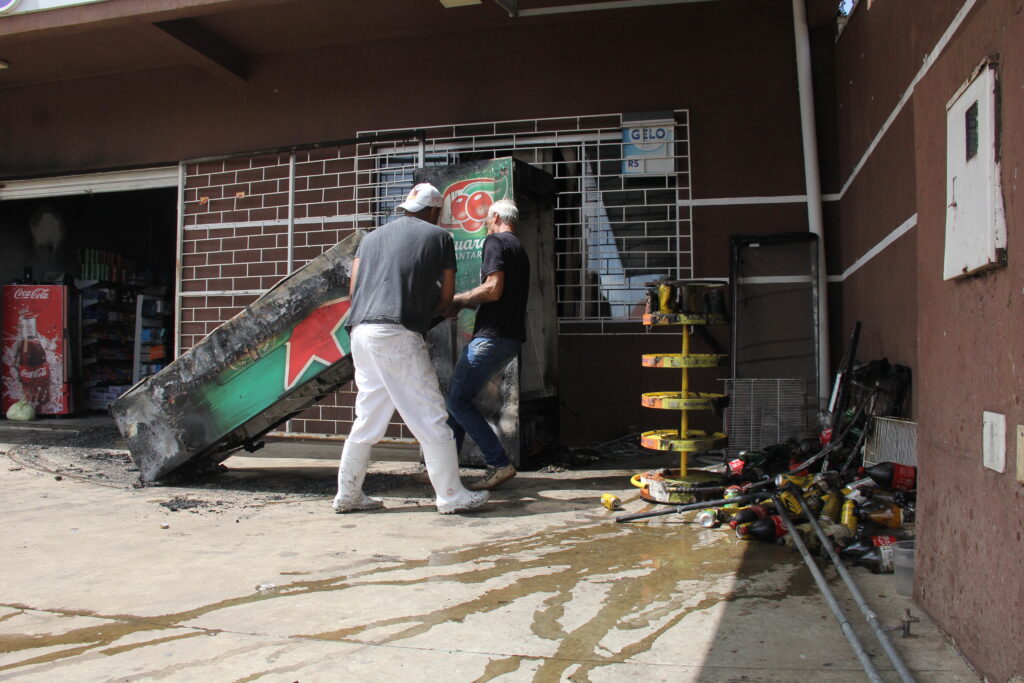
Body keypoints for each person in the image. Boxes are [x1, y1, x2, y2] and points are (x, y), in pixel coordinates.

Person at [332, 183, 489, 515]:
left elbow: (354, 288)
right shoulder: (439, 238)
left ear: (407, 207)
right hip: (397, 333)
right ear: (433, 211)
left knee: (369, 415)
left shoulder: (370, 238)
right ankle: (451, 495)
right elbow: (447, 298)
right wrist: (435, 306)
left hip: (361, 331)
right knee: (431, 415)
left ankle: (348, 493)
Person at [446, 198, 529, 491]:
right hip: (507, 338)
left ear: (494, 216)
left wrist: (457, 300)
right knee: (458, 400)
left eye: (486, 218)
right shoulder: (519, 248)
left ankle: (499, 462)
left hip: (491, 337)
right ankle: (446, 471)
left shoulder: (495, 242)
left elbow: (493, 290)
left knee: (456, 400)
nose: (484, 223)